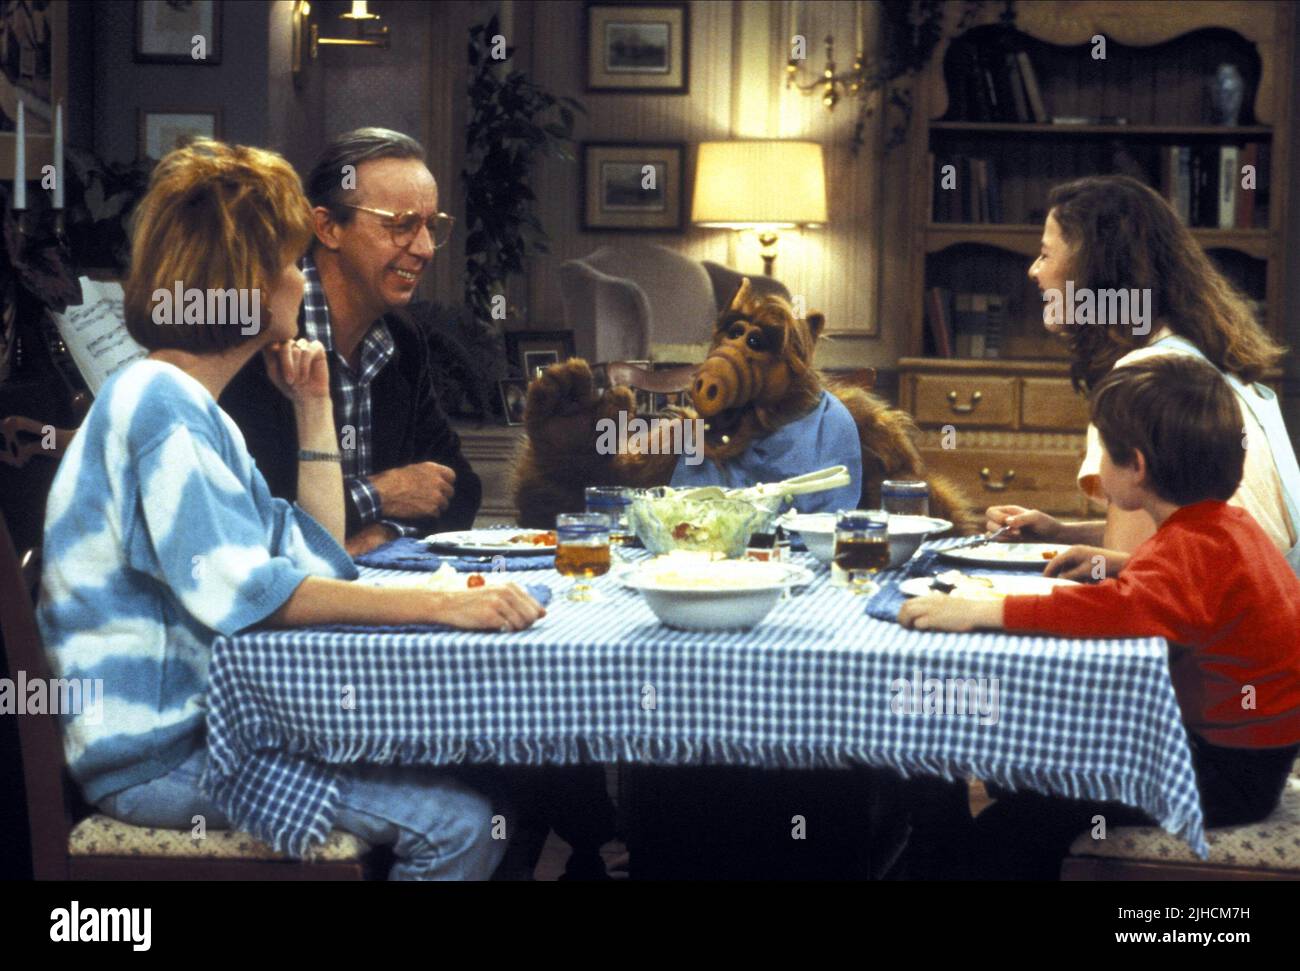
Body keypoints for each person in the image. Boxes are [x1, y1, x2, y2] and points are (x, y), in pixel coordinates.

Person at [36, 139, 545, 880]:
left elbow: (311, 552)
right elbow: (253, 596)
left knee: (472, 784)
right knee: (460, 823)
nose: (294, 279)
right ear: (244, 280)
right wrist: (442, 604)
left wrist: (313, 410)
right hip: (159, 759)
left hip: (201, 738)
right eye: (284, 261)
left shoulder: (190, 409)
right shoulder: (160, 411)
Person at [900, 355, 1300, 879]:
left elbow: (1117, 610)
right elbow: (1192, 591)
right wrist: (1122, 563)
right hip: (1247, 761)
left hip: (1222, 777)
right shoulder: (1226, 526)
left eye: (1100, 453)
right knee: (1035, 775)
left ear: (1136, 465)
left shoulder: (1190, 547)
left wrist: (982, 611)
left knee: (1021, 822)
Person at [986, 174, 1300, 581]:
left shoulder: (1143, 380)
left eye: (1046, 255)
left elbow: (1131, 574)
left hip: (1223, 631)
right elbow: (1180, 538)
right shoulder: (1206, 360)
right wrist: (1060, 532)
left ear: (1094, 271)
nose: (1033, 271)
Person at [221, 128, 479, 557]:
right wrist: (376, 494)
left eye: (431, 226)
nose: (426, 248)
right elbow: (248, 511)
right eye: (402, 226)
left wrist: (381, 535)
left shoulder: (402, 337)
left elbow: (459, 486)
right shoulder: (261, 330)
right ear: (326, 227)